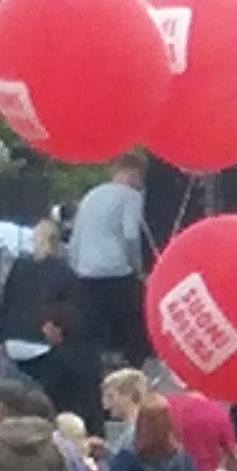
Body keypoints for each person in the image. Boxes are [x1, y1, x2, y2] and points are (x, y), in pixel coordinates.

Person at [71, 153, 150, 359]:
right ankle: (133, 363)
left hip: (86, 272)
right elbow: (131, 235)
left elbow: (76, 236)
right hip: (116, 270)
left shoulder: (90, 195)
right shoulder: (130, 196)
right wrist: (138, 267)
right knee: (133, 320)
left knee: (94, 328)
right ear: (134, 173)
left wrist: (76, 266)